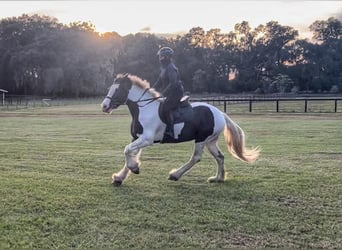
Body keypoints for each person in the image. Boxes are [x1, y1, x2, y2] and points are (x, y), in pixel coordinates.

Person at [153, 47, 184, 139]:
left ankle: (170, 131)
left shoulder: (171, 68)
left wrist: (163, 92)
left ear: (167, 57)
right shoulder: (163, 68)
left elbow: (173, 83)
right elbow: (159, 81)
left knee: (166, 108)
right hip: (169, 92)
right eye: (159, 56)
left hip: (176, 92)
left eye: (162, 56)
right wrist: (151, 90)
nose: (160, 58)